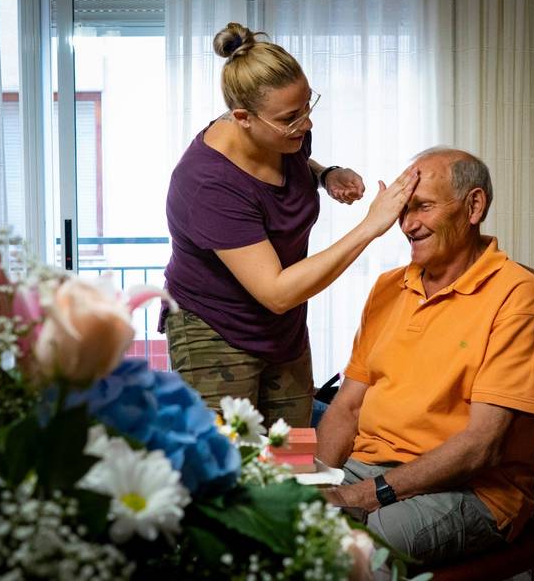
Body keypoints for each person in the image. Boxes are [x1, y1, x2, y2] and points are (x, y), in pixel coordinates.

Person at [160, 22, 419, 429]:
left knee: (293, 452)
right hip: (215, 329)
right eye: (291, 117)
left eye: (308, 108)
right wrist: (372, 225)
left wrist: (325, 174)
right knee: (230, 466)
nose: (306, 124)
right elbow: (277, 292)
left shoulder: (284, 135)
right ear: (242, 117)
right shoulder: (207, 185)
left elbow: (287, 167)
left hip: (283, 328)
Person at [317, 147, 534, 565]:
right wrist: (314, 481)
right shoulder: (388, 287)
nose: (408, 225)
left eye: (423, 207)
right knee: (261, 521)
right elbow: (347, 406)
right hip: (367, 469)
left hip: (473, 490)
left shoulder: (515, 295)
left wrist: (357, 496)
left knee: (337, 556)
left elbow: (482, 445)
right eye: (404, 210)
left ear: (474, 206)